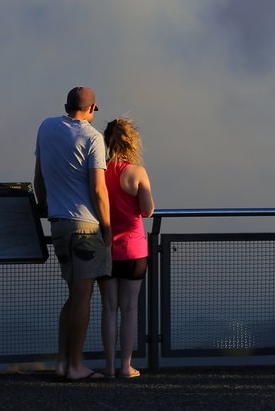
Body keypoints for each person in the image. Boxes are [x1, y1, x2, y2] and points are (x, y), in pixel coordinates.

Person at [33, 86, 111, 381]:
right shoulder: (92, 137)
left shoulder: (47, 127)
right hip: (85, 226)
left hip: (58, 223)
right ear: (92, 109)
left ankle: (63, 363)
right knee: (82, 297)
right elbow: (98, 190)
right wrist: (107, 229)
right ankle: (75, 365)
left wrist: (44, 206)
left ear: (66, 105)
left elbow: (39, 175)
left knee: (72, 296)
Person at [99, 117, 155, 379]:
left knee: (109, 307)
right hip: (133, 249)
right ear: (132, 141)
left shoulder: (100, 171)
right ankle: (125, 366)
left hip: (105, 247)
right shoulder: (137, 172)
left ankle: (108, 367)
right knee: (129, 308)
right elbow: (147, 210)